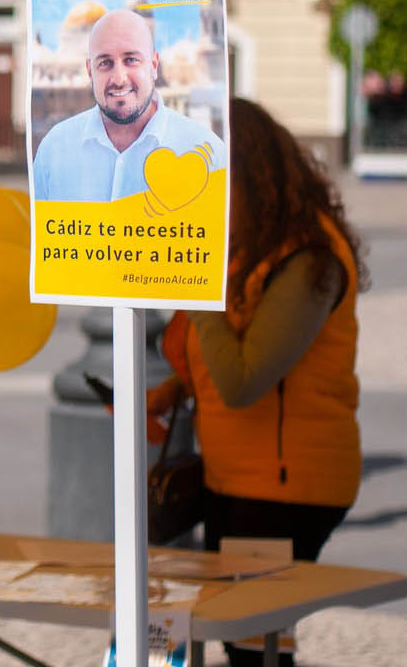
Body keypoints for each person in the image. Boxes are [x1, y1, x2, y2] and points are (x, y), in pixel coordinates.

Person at [147, 97, 365, 667]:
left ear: (249, 173)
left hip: (284, 487)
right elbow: (223, 356)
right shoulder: (252, 246)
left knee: (256, 648)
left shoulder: (312, 260)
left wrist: (192, 288)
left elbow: (246, 379)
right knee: (248, 642)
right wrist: (173, 390)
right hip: (238, 479)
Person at [33, 7, 225, 202]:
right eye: (105, 63)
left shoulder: (210, 154)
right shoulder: (54, 149)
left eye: (131, 60)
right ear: (90, 72)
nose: (119, 79)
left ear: (154, 65)